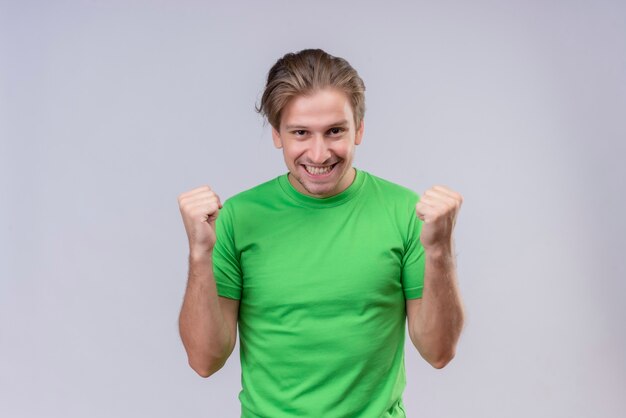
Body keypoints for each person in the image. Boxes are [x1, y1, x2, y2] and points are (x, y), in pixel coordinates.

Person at [177, 48, 465, 418]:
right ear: (277, 134)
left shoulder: (407, 213)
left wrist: (440, 250)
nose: (318, 153)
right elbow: (204, 360)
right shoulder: (235, 218)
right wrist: (199, 255)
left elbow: (439, 352)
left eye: (334, 131)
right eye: (300, 133)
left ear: (358, 128)